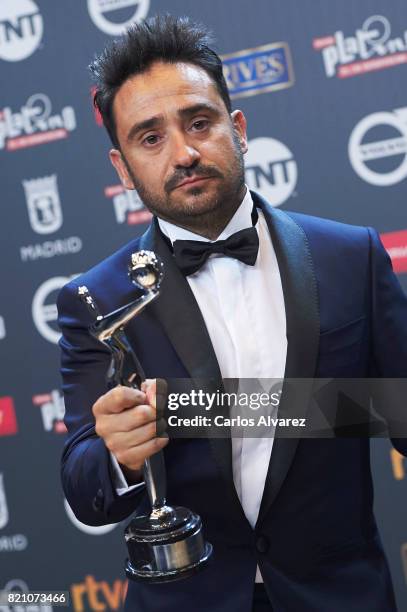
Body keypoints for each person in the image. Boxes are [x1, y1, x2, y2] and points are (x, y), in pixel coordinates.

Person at [57, 14, 407, 612]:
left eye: (200, 122)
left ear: (237, 128)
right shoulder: (95, 299)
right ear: (122, 168)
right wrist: (115, 455)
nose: (185, 152)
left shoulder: (352, 256)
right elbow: (85, 487)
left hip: (341, 596)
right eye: (150, 138)